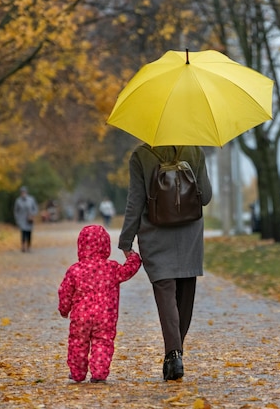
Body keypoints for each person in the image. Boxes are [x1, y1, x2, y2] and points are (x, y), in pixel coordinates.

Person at [118, 144, 212, 381]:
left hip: (155, 233)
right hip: (189, 233)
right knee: (185, 293)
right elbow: (207, 196)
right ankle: (176, 353)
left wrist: (126, 240)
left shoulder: (141, 155)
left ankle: (173, 354)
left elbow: (135, 201)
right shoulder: (195, 151)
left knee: (165, 292)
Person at [58, 225, 142, 383]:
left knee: (78, 342)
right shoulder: (111, 268)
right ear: (106, 246)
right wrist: (133, 257)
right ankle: (99, 373)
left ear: (81, 246)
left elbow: (65, 292)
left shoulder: (75, 270)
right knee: (103, 342)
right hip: (105, 317)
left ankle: (77, 373)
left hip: (80, 317)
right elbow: (128, 270)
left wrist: (64, 310)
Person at [13, 186, 39, 252]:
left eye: (24, 192)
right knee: (23, 233)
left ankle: (29, 246)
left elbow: (35, 209)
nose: (23, 193)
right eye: (22, 192)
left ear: (26, 192)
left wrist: (32, 214)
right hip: (22, 219)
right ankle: (23, 246)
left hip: (29, 219)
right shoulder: (18, 201)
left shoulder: (31, 200)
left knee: (29, 233)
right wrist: (17, 219)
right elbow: (16, 211)